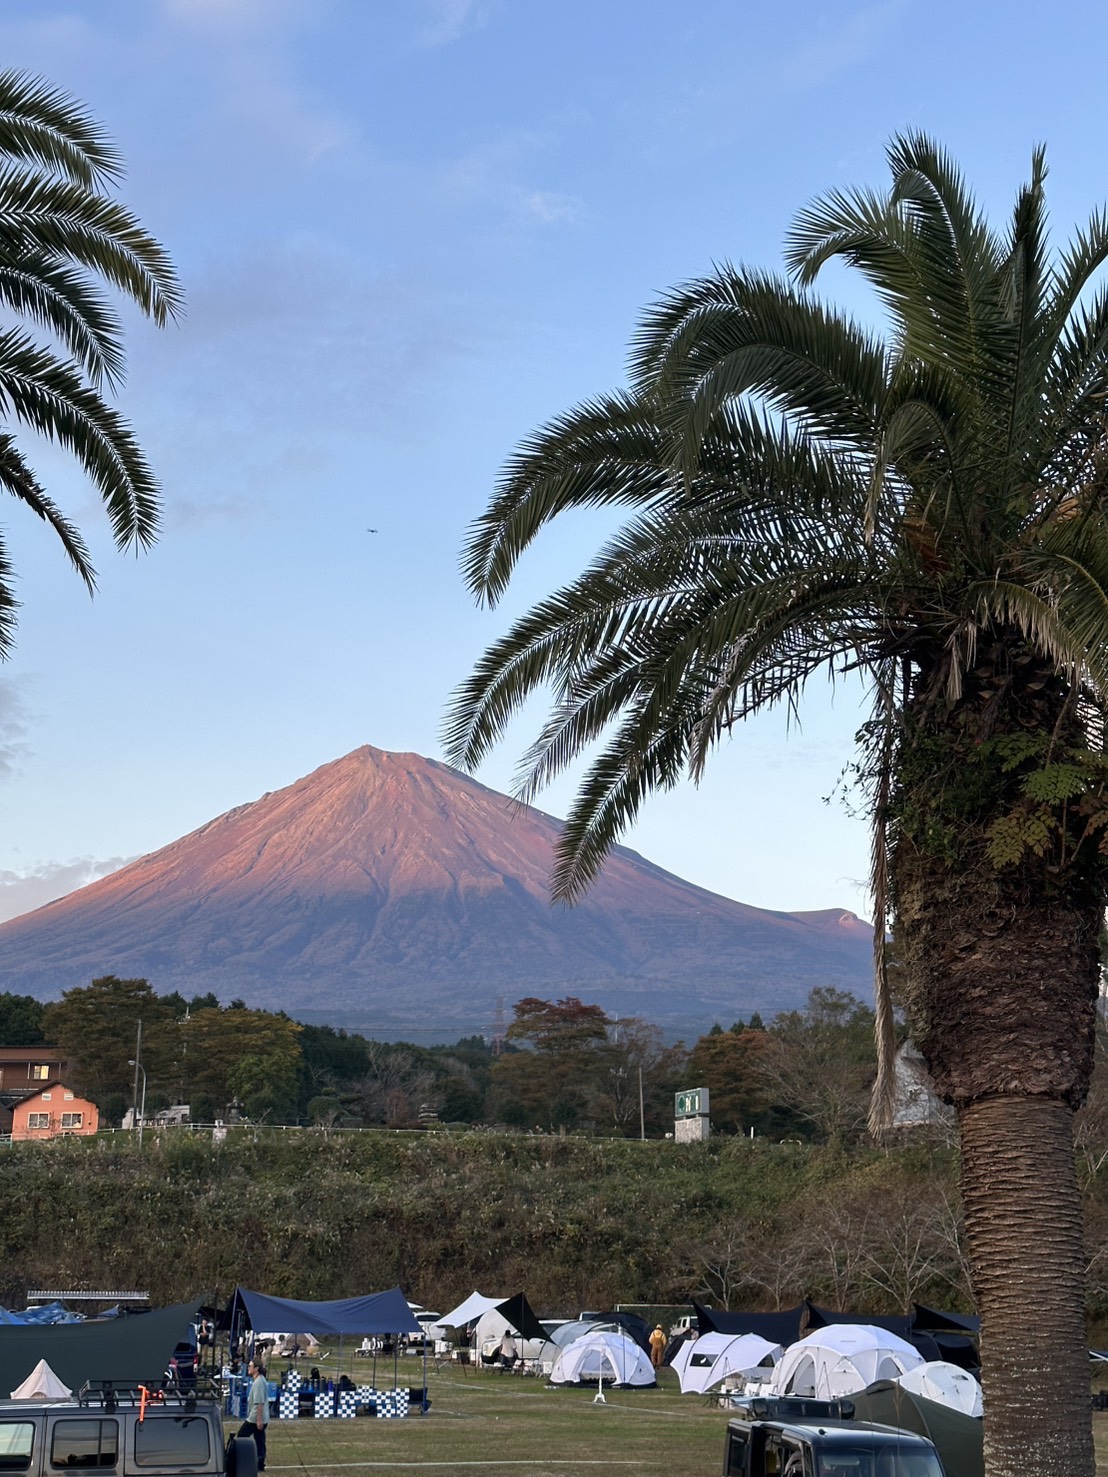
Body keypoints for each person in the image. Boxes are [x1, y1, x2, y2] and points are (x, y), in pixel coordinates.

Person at [245, 1359, 270, 1472]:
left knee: (242, 1436)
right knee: (260, 1441)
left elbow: (259, 1403)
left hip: (255, 1418)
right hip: (259, 1417)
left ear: (256, 1369)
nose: (248, 1368)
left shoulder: (259, 1382)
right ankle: (260, 1464)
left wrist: (258, 1420)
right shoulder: (260, 1380)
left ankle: (247, 1460)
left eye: (250, 1366)